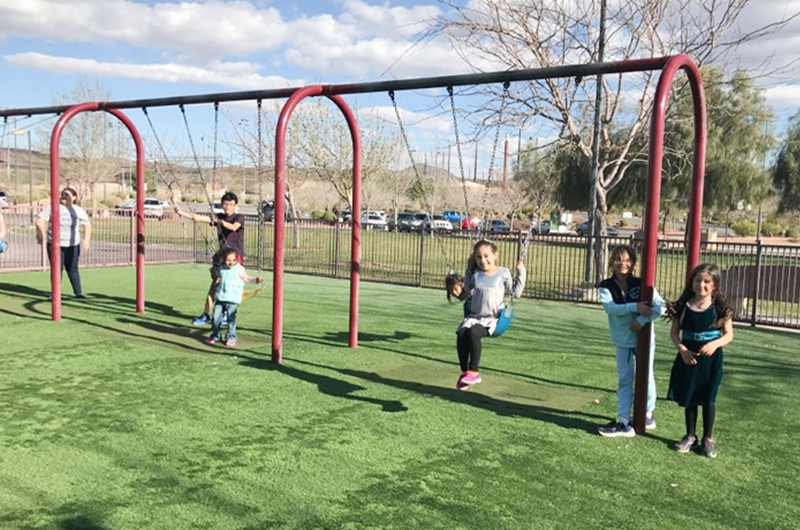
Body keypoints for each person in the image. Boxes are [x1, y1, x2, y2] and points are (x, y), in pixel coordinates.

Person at [597, 244, 666, 437]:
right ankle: (624, 420)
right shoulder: (606, 286)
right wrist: (635, 307)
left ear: (633, 264)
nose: (623, 264)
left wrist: (643, 319)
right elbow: (610, 308)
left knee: (645, 375)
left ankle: (647, 413)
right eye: (618, 259)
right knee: (625, 379)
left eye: (627, 260)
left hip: (643, 340)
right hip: (622, 341)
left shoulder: (641, 284)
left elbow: (661, 307)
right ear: (612, 263)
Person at [666, 263, 733, 458]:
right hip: (689, 358)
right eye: (697, 280)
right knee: (690, 395)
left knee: (708, 397)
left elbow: (728, 335)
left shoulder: (720, 308)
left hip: (710, 360)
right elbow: (674, 334)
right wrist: (683, 350)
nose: (701, 285)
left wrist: (715, 344)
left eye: (706, 282)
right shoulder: (683, 306)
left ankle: (708, 439)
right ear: (692, 282)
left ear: (714, 285)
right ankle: (690, 435)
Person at [455, 239, 526, 390]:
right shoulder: (476, 274)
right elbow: (467, 290)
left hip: (493, 319)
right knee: (462, 333)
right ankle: (465, 372)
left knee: (474, 332)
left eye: (486, 256)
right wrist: (468, 268)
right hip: (474, 316)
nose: (483, 260)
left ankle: (474, 371)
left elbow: (516, 293)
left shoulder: (503, 273)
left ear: (495, 255)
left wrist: (521, 271)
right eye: (479, 257)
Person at [174, 191, 245, 325]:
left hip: (235, 257)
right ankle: (206, 314)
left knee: (230, 287)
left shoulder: (239, 217)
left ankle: (225, 314)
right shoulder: (219, 216)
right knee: (214, 286)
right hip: (222, 256)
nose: (227, 207)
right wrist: (182, 213)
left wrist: (219, 221)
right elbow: (201, 218)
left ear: (235, 205)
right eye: (225, 204)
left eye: (230, 204)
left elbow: (233, 227)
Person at [35, 187, 92, 298]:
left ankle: (78, 293)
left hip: (72, 244)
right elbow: (40, 221)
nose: (64, 197)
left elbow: (87, 225)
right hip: (55, 244)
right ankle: (55, 294)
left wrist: (86, 240)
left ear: (74, 197)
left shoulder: (78, 210)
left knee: (72, 268)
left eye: (67, 194)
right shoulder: (53, 208)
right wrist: (40, 234)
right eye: (62, 194)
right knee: (57, 268)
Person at [204, 247, 263, 347]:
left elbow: (247, 279)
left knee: (231, 319)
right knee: (215, 318)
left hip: (232, 299)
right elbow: (218, 279)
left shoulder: (239, 270)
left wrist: (256, 280)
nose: (231, 263)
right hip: (220, 298)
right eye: (228, 260)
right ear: (224, 259)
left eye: (234, 260)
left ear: (237, 259)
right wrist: (216, 282)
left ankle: (231, 337)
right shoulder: (221, 269)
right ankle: (215, 335)